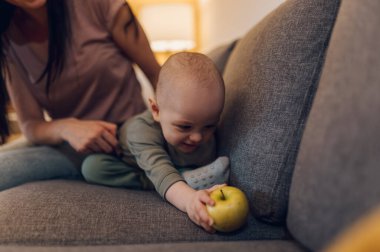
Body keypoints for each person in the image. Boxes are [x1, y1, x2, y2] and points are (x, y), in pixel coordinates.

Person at [0, 0, 161, 190]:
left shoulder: (97, 4)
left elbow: (156, 76)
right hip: (76, 146)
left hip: (131, 134)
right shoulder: (7, 37)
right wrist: (67, 128)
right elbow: (31, 125)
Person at [81, 52, 230, 233]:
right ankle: (181, 179)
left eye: (209, 126)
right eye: (184, 127)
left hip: (171, 160)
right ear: (156, 110)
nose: (198, 137)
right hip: (131, 162)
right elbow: (160, 171)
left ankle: (182, 175)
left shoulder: (197, 133)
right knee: (92, 167)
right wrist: (190, 200)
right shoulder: (141, 131)